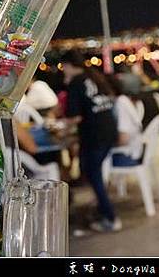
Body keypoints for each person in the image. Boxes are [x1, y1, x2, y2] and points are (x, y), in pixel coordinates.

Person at [60, 50, 122, 232]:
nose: (63, 70)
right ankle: (101, 208)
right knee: (91, 172)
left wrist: (62, 125)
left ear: (70, 66)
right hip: (109, 131)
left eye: (64, 66)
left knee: (92, 173)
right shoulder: (93, 76)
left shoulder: (76, 83)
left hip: (95, 134)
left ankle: (110, 217)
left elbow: (75, 117)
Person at [110, 74, 145, 167]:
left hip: (129, 156)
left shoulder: (121, 104)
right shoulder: (128, 101)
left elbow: (123, 139)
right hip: (138, 150)